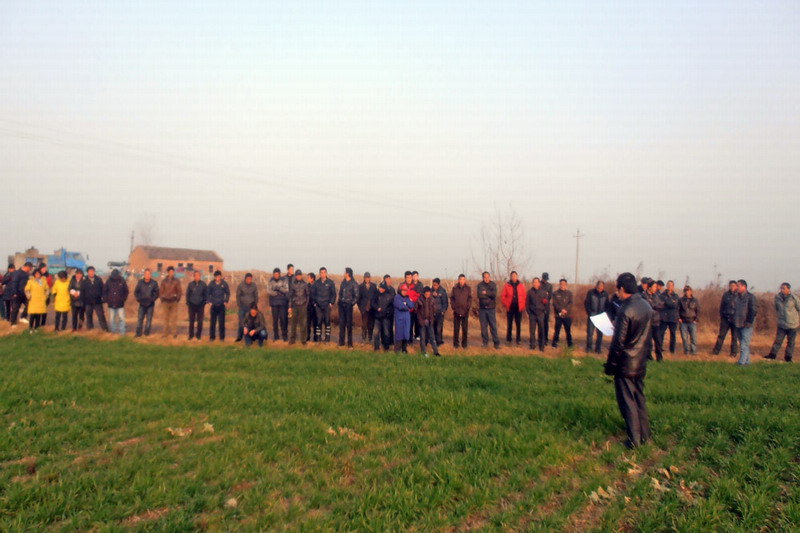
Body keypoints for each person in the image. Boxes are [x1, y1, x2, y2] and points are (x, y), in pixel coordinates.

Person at [604, 272, 653, 449]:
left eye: (618, 288)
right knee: (639, 398)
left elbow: (618, 343)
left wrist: (610, 365)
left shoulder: (625, 310)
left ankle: (634, 439)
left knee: (627, 402)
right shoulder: (646, 305)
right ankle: (646, 436)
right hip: (641, 360)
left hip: (626, 363)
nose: (617, 292)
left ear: (622, 289)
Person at [765, 282, 800, 362]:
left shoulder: (794, 298)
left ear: (788, 289)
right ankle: (772, 355)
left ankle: (788, 357)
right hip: (782, 324)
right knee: (778, 340)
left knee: (791, 342)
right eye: (781, 288)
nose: (782, 290)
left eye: (784, 288)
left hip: (792, 324)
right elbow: (777, 308)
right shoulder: (777, 298)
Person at [712, 280, 740, 357]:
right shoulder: (726, 295)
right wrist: (722, 316)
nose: (732, 287)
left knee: (734, 337)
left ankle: (733, 353)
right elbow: (722, 306)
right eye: (730, 286)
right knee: (721, 336)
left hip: (735, 319)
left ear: (736, 286)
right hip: (726, 318)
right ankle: (716, 351)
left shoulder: (739, 295)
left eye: (733, 286)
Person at [733, 279, 758, 366]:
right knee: (742, 343)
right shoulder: (736, 297)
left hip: (747, 324)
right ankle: (747, 362)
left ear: (744, 286)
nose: (737, 288)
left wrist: (749, 322)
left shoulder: (750, 297)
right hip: (738, 323)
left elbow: (753, 311)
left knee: (744, 344)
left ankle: (741, 362)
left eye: (738, 286)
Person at [310, 267, 336, 342]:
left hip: (327, 305)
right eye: (321, 273)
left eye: (324, 272)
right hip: (318, 306)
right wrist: (314, 303)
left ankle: (327, 338)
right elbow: (312, 294)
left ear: (326, 273)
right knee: (318, 321)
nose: (323, 274)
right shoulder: (316, 283)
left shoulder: (330, 282)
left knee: (327, 321)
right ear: (319, 274)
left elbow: (334, 294)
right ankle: (318, 338)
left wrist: (331, 303)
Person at [501, 271, 527, 345]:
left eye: (515, 276)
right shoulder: (507, 285)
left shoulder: (521, 285)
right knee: (509, 324)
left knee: (518, 324)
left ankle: (518, 339)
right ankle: (509, 339)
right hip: (510, 307)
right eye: (512, 276)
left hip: (518, 307)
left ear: (517, 276)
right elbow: (503, 296)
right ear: (510, 277)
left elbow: (524, 296)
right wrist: (506, 304)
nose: (513, 277)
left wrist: (523, 305)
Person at [477, 271, 500, 349]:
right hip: (482, 309)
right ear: (483, 278)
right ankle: (485, 342)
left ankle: (496, 343)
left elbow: (494, 294)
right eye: (485, 277)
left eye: (488, 277)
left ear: (490, 277)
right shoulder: (480, 285)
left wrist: (486, 292)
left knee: (493, 326)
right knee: (483, 327)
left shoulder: (493, 284)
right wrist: (488, 294)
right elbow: (480, 295)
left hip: (491, 309)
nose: (486, 278)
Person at [584, 281, 609, 353]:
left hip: (601, 316)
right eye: (599, 286)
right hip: (592, 315)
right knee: (590, 333)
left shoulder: (605, 294)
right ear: (596, 286)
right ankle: (589, 348)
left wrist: (605, 314)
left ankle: (598, 349)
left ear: (603, 287)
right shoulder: (591, 292)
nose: (600, 288)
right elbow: (587, 303)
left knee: (600, 334)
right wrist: (589, 312)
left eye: (601, 286)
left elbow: (607, 305)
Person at [134, 269, 160, 337]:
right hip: (142, 304)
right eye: (146, 274)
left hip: (150, 304)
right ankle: (138, 333)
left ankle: (146, 333)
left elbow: (157, 293)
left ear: (150, 275)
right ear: (144, 274)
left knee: (149, 319)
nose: (147, 275)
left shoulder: (154, 283)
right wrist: (139, 299)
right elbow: (136, 292)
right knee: (140, 319)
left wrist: (152, 299)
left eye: (149, 274)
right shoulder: (140, 282)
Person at [416, 287, 441, 357]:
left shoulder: (432, 300)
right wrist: (420, 321)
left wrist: (432, 319)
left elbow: (435, 310)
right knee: (423, 338)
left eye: (429, 294)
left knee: (432, 338)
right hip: (422, 321)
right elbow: (416, 311)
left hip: (430, 321)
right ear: (424, 293)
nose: (427, 295)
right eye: (426, 294)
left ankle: (436, 352)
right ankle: (423, 352)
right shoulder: (419, 300)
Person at [642, 280, 664, 361]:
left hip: (656, 322)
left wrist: (655, 305)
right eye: (654, 287)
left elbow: (661, 305)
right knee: (648, 342)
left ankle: (659, 358)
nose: (655, 288)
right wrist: (655, 305)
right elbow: (649, 306)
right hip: (647, 322)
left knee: (658, 341)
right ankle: (649, 357)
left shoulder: (656, 295)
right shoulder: (644, 296)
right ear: (649, 287)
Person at [103, 268, 129, 335]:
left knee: (121, 319)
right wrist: (107, 299)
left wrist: (123, 299)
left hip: (120, 304)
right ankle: (113, 332)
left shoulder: (122, 281)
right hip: (111, 304)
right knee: (112, 319)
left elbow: (126, 291)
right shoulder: (108, 281)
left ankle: (122, 332)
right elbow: (104, 291)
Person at [266, 268, 290, 341]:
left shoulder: (284, 280)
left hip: (282, 303)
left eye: (277, 274)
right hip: (274, 303)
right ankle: (276, 336)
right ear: (273, 274)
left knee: (283, 320)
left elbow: (286, 290)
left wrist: (279, 288)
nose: (276, 275)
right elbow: (269, 291)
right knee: (275, 320)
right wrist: (276, 293)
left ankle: (284, 336)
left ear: (279, 274)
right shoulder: (271, 281)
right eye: (275, 274)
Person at [338, 267, 359, 347]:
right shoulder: (343, 282)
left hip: (348, 306)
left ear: (348, 274)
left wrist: (351, 303)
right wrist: (339, 301)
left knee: (349, 324)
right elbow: (340, 293)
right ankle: (341, 342)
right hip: (341, 305)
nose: (344, 273)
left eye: (345, 272)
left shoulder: (354, 283)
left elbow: (357, 296)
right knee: (341, 323)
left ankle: (350, 343)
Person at [159, 266, 182, 338]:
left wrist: (177, 299)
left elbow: (179, 291)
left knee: (173, 318)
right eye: (170, 272)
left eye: (172, 271)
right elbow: (161, 291)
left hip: (174, 301)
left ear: (173, 272)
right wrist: (162, 299)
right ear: (168, 272)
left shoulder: (176, 281)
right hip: (165, 301)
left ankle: (174, 333)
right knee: (165, 318)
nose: (171, 273)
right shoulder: (164, 281)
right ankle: (165, 333)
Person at [235, 273, 259, 342]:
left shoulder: (254, 286)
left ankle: (250, 337)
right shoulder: (241, 285)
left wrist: (254, 306)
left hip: (251, 307)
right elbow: (238, 296)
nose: (249, 280)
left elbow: (256, 296)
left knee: (250, 322)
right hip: (242, 307)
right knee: (241, 321)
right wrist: (239, 305)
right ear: (245, 279)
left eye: (250, 279)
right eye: (248, 279)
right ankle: (239, 336)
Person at [288, 269, 310, 345]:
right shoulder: (293, 284)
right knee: (293, 324)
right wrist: (290, 307)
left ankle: (303, 340)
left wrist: (306, 305)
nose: (298, 276)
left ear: (301, 275)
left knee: (303, 324)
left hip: (303, 306)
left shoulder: (305, 284)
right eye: (297, 275)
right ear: (295, 276)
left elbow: (308, 295)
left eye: (299, 275)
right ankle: (292, 340)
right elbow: (291, 296)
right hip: (295, 306)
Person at [206, 270, 230, 341]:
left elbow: (228, 293)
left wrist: (226, 301)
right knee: (212, 323)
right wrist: (209, 302)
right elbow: (207, 293)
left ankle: (222, 338)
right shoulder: (211, 284)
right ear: (214, 277)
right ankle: (212, 337)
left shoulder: (224, 284)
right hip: (213, 306)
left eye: (219, 276)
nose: (218, 278)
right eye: (216, 277)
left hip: (221, 306)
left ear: (221, 276)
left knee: (221, 322)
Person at [526, 277, 548, 351]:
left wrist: (544, 311)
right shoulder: (530, 292)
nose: (535, 283)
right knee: (532, 331)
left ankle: (541, 346)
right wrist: (529, 312)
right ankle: (532, 345)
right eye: (534, 282)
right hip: (532, 314)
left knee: (541, 330)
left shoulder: (543, 292)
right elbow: (527, 303)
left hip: (540, 314)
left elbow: (546, 303)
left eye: (536, 282)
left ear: (539, 283)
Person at [83, 266, 108, 331]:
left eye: (92, 271)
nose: (91, 273)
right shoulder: (84, 280)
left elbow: (103, 289)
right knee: (89, 316)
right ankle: (90, 329)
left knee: (101, 316)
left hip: (97, 301)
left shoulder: (98, 279)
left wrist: (104, 298)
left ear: (94, 272)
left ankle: (105, 329)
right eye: (90, 271)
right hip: (88, 302)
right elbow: (82, 290)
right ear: (87, 272)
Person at [450, 274, 472, 349]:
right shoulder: (455, 288)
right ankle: (455, 344)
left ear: (465, 280)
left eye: (463, 279)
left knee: (465, 328)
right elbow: (452, 298)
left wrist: (468, 307)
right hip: (456, 311)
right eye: (460, 279)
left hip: (465, 311)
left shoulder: (468, 288)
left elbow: (470, 298)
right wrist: (453, 307)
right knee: (456, 329)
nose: (462, 281)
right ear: (458, 280)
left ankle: (464, 344)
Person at [551, 279, 574, 349]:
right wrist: (561, 310)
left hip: (567, 315)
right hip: (558, 315)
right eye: (561, 284)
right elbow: (555, 303)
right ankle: (554, 344)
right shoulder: (555, 293)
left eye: (563, 284)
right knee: (557, 330)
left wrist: (566, 310)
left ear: (566, 285)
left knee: (568, 330)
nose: (562, 285)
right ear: (559, 284)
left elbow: (570, 303)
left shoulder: (569, 293)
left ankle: (570, 344)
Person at [659, 281, 680, 354]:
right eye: (668, 285)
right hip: (664, 317)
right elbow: (661, 304)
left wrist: (666, 302)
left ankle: (672, 350)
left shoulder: (676, 296)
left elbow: (675, 305)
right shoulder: (662, 295)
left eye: (671, 285)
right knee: (661, 333)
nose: (669, 286)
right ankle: (660, 348)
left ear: (673, 286)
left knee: (673, 334)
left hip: (672, 317)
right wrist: (671, 302)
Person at [678, 285, 700, 355]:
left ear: (691, 291)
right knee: (684, 338)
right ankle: (686, 351)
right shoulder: (681, 300)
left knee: (693, 338)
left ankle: (693, 351)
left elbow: (698, 310)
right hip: (683, 321)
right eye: (685, 291)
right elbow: (677, 310)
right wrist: (679, 318)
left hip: (692, 321)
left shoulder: (695, 300)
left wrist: (696, 319)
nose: (687, 292)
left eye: (688, 291)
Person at [372, 281, 394, 352]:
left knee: (386, 332)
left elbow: (391, 307)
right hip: (377, 316)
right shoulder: (376, 295)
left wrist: (387, 312)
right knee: (376, 332)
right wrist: (377, 308)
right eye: (380, 288)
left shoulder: (389, 296)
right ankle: (376, 348)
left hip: (385, 317)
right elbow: (373, 303)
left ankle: (386, 347)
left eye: (382, 288)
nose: (381, 289)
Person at [186, 270, 208, 340]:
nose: (197, 277)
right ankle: (191, 335)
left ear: (200, 276)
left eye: (198, 275)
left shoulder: (203, 284)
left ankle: (198, 335)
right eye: (195, 275)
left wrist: (203, 303)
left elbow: (206, 294)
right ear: (194, 276)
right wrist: (188, 303)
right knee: (191, 321)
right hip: (192, 305)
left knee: (200, 321)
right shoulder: (190, 284)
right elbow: (188, 294)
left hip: (200, 306)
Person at [393, 283, 415, 353]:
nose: (405, 292)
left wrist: (406, 303)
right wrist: (406, 306)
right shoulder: (397, 297)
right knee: (399, 335)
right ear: (400, 290)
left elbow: (412, 305)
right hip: (400, 319)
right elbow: (401, 306)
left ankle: (404, 349)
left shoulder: (407, 298)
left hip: (406, 319)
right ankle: (397, 350)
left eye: (406, 291)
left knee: (406, 334)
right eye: (403, 290)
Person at [8, 262, 32, 326]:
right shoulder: (17, 273)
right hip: (17, 293)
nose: (30, 269)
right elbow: (14, 283)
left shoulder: (27, 274)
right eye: (30, 268)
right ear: (27, 267)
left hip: (25, 294)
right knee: (16, 308)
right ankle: (13, 322)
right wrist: (14, 292)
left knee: (29, 305)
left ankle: (23, 317)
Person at [357, 272, 377, 343]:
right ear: (364, 278)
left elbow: (376, 297)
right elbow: (358, 298)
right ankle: (363, 338)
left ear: (370, 278)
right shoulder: (361, 286)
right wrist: (360, 307)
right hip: (364, 308)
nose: (367, 279)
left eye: (368, 277)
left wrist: (374, 306)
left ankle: (370, 338)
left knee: (371, 324)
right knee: (364, 324)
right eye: (366, 277)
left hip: (372, 308)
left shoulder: (374, 286)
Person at [431, 278, 449, 346]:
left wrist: (443, 311)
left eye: (435, 285)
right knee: (433, 327)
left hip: (440, 312)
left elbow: (445, 302)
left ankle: (439, 341)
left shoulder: (442, 292)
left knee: (439, 328)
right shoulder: (431, 291)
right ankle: (433, 341)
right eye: (433, 285)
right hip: (432, 313)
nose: (434, 286)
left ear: (438, 284)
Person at [540, 272, 553, 343]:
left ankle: (545, 338)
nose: (545, 280)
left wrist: (546, 296)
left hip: (546, 306)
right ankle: (541, 338)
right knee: (540, 323)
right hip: (539, 305)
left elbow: (550, 296)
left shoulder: (549, 286)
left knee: (546, 323)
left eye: (546, 279)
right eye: (544, 279)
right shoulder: (539, 284)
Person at [305, 272, 316, 342]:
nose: (308, 279)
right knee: (308, 323)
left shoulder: (317, 285)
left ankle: (315, 337)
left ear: (312, 278)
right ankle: (307, 337)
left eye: (309, 278)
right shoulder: (307, 286)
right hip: (308, 307)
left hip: (315, 307)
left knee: (315, 323)